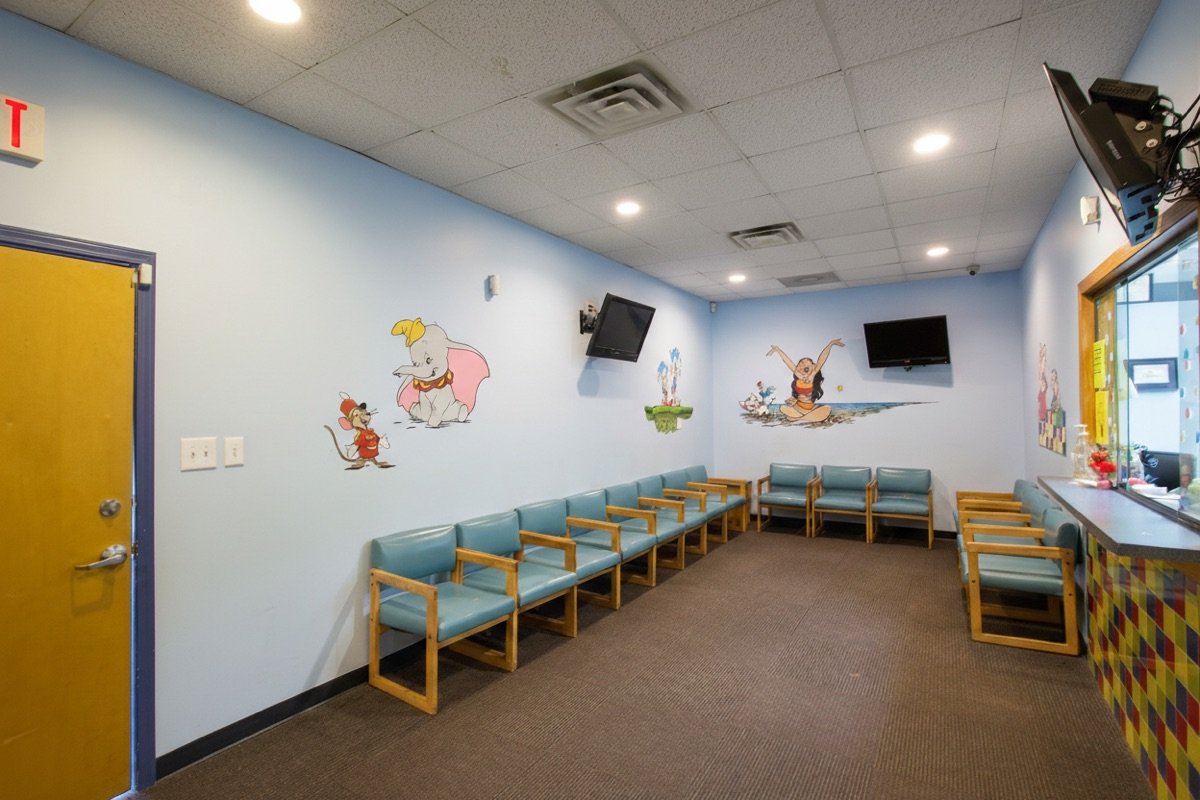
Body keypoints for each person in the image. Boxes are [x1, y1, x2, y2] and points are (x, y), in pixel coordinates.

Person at [766, 338, 844, 423]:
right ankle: (807, 417)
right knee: (783, 408)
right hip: (798, 407)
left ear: (813, 368)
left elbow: (822, 359)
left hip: (810, 407)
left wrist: (830, 344)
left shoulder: (811, 377)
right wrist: (778, 350)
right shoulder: (799, 375)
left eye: (806, 366)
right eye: (800, 363)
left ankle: (799, 418)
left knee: (827, 408)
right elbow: (787, 361)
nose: (802, 366)